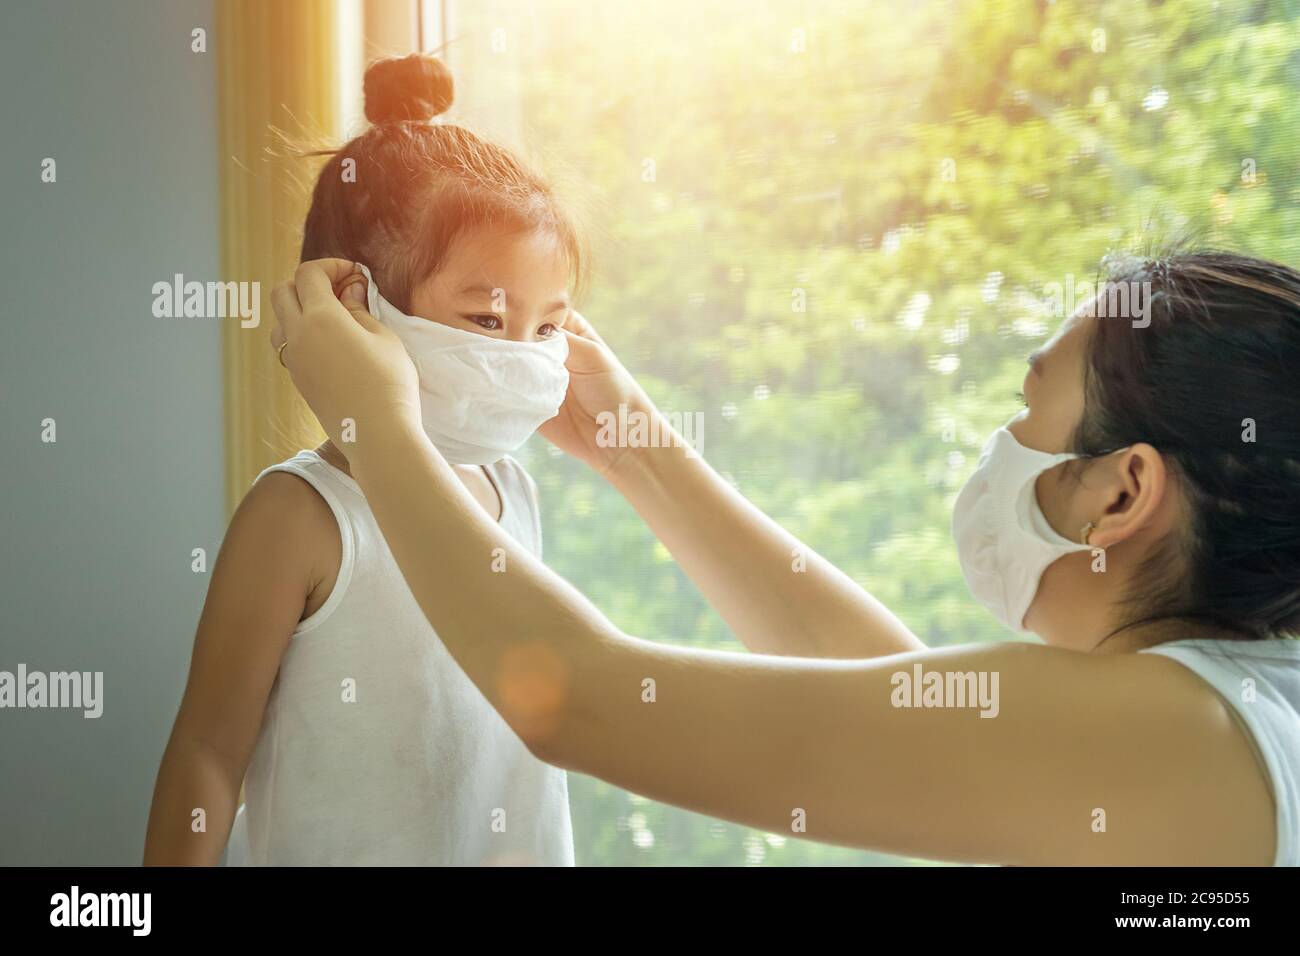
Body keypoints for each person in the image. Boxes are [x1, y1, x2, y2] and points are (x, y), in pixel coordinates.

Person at [272, 244, 1300, 862]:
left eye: (1029, 406)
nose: (1002, 441)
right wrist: (636, 449)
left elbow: (578, 699)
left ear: (1120, 490)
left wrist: (377, 425)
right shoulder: (1234, 709)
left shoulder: (1183, 734)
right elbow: (902, 705)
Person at [145, 54, 581, 865]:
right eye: (488, 322)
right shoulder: (300, 517)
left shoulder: (512, 490)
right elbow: (209, 751)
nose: (524, 357)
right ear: (355, 305)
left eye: (549, 327)